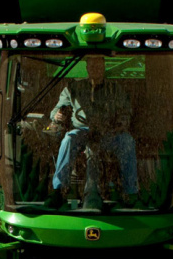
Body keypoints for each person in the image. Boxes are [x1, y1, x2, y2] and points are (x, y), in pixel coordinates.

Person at [48, 56, 138, 206]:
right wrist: (57, 115)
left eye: (98, 65)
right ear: (87, 68)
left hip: (108, 133)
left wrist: (122, 122)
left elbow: (126, 111)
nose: (95, 68)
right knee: (68, 139)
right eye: (92, 65)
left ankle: (131, 193)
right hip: (82, 132)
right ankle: (58, 190)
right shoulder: (73, 88)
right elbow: (57, 110)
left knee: (127, 141)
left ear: (104, 67)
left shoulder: (115, 89)